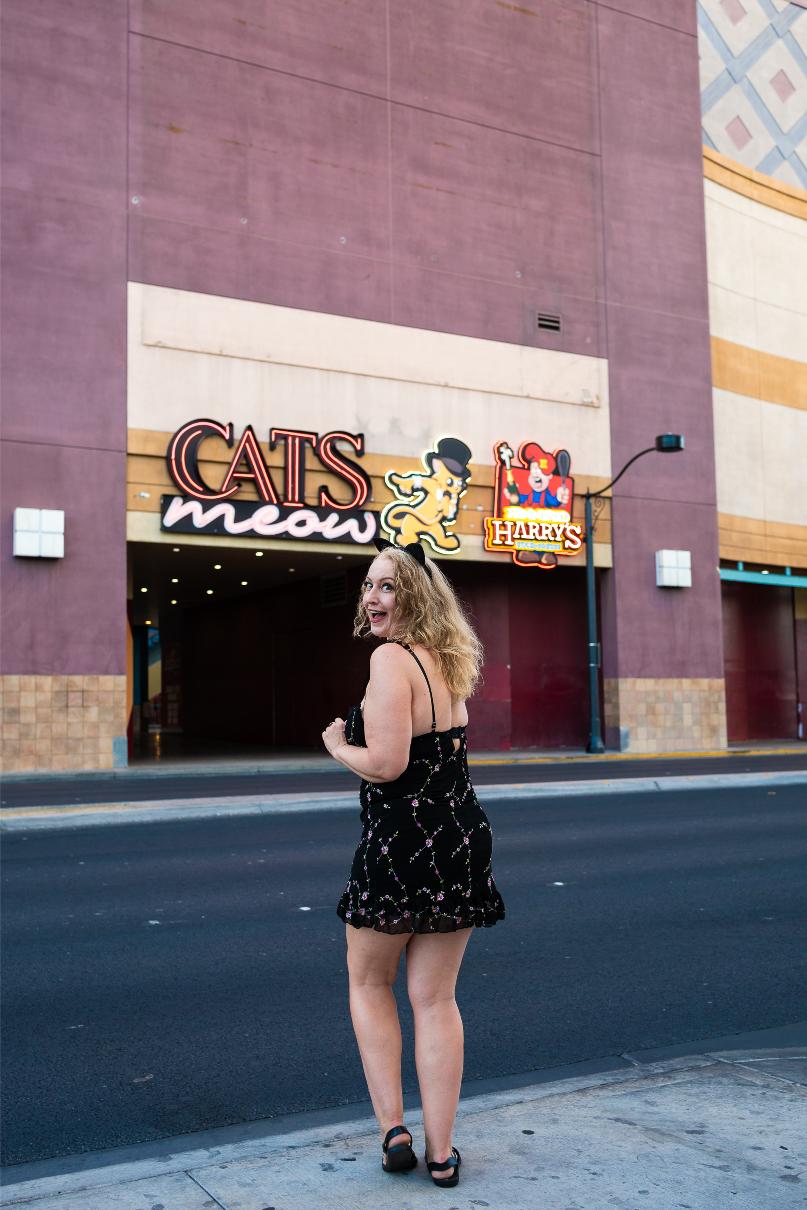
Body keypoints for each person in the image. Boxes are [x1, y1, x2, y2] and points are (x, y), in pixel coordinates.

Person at [322, 537, 506, 1189]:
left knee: (369, 983)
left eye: (388, 585)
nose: (372, 597)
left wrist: (337, 745)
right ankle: (442, 1154)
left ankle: (393, 1129)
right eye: (368, 585)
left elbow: (387, 765)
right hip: (460, 838)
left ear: (416, 596)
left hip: (401, 844)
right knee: (435, 999)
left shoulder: (390, 660)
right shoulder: (449, 660)